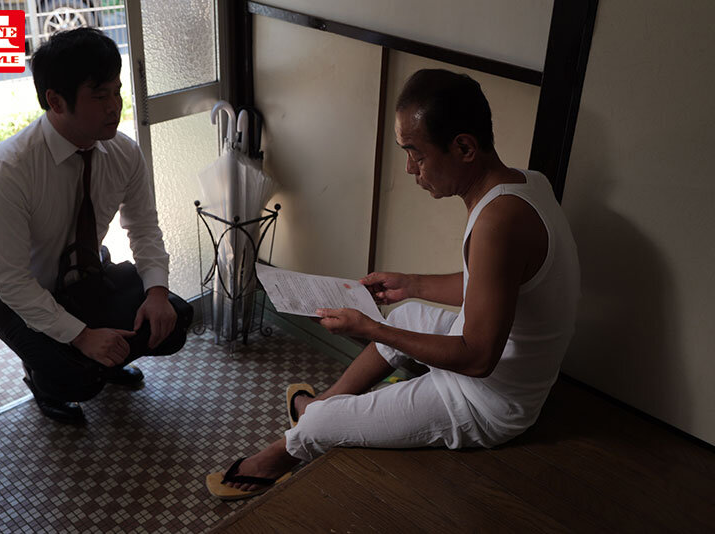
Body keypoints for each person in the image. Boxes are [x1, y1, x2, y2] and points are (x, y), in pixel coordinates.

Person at [206, 69, 580, 500]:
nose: (409, 169)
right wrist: (411, 284)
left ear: (464, 147)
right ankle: (321, 402)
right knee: (406, 313)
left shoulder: (498, 222)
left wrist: (372, 329)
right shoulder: (526, 182)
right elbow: (492, 284)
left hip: (489, 401)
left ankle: (281, 453)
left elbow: (478, 358)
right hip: (509, 372)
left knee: (325, 425)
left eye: (416, 154)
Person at [0, 28, 193, 424]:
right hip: (14, 298)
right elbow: (11, 281)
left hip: (83, 278)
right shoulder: (7, 170)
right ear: (56, 101)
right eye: (100, 95)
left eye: (117, 91)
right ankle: (44, 379)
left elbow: (144, 227)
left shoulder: (123, 152)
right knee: (77, 379)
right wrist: (82, 335)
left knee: (175, 318)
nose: (115, 106)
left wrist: (157, 293)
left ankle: (105, 362)